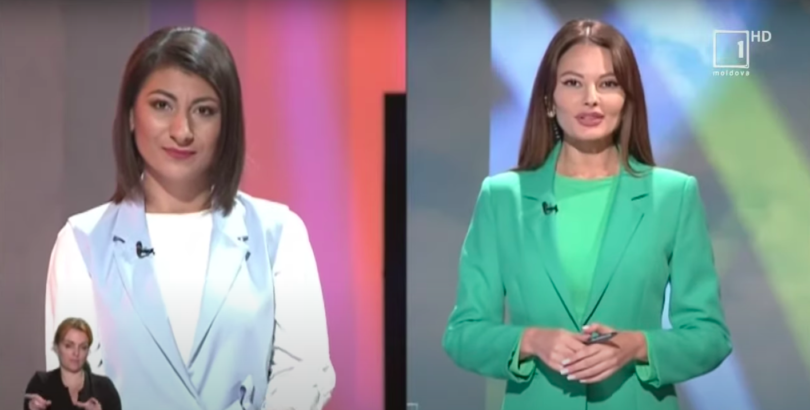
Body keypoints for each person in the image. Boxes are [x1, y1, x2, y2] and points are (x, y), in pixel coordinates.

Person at [442, 19, 732, 410]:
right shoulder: (502, 199)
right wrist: (530, 340)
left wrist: (638, 345)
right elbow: (463, 334)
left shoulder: (673, 196)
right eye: (573, 83)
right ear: (549, 100)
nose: (591, 98)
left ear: (627, 99)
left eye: (608, 84)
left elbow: (710, 336)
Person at [44, 26, 335, 410]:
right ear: (131, 115)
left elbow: (304, 373)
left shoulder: (279, 235)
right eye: (162, 105)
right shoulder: (82, 243)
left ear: (226, 124)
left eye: (204, 111)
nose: (182, 131)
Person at [24, 318, 121, 410]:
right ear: (56, 347)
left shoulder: (104, 388)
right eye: (68, 346)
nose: (76, 353)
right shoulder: (41, 384)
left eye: (83, 347)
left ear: (88, 351)